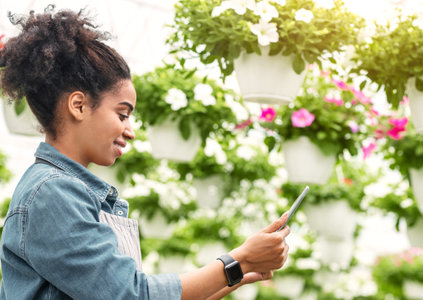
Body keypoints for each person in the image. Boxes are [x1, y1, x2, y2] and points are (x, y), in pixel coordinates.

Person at [0, 6, 290, 300]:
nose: (130, 130)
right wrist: (239, 260)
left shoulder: (64, 190)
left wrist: (234, 277)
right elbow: (130, 294)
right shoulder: (52, 193)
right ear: (79, 106)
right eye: (122, 114)